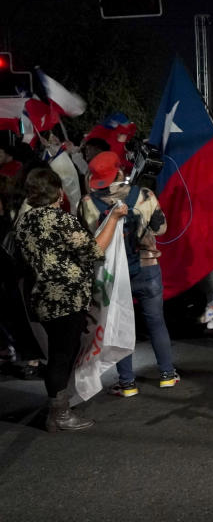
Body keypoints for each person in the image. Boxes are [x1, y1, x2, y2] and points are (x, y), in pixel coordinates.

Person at [17, 168, 126, 430]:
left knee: (58, 353)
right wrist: (113, 218)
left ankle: (58, 410)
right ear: (58, 191)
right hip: (67, 297)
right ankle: (60, 414)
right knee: (62, 355)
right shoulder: (59, 220)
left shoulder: (23, 222)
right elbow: (94, 250)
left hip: (43, 297)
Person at [78, 151, 177, 396]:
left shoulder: (88, 203)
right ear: (120, 170)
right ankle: (167, 374)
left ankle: (127, 382)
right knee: (156, 322)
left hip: (113, 273)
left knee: (120, 324)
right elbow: (161, 228)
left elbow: (87, 239)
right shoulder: (144, 195)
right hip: (147, 267)